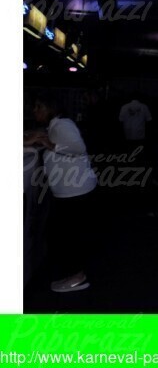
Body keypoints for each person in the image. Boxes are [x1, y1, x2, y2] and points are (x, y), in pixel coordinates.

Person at [24, 93, 98, 293]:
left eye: (39, 107)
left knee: (67, 235)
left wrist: (48, 144)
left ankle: (77, 278)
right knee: (65, 234)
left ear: (50, 108)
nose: (35, 111)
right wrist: (39, 139)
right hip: (72, 189)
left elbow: (78, 148)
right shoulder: (56, 125)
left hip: (75, 190)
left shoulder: (62, 124)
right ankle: (74, 274)